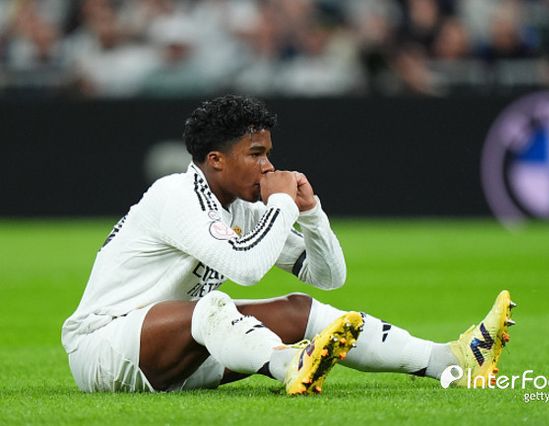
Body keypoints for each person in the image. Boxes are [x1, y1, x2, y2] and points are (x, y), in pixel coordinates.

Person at [61, 95, 516, 394]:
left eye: (268, 152)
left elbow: (329, 277)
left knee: (299, 309)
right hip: (102, 351)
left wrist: (311, 212)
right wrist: (281, 202)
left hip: (171, 356)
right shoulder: (175, 195)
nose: (268, 165)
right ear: (215, 161)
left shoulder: (240, 207)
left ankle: (451, 361)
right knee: (213, 307)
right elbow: (245, 270)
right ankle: (290, 366)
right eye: (255, 153)